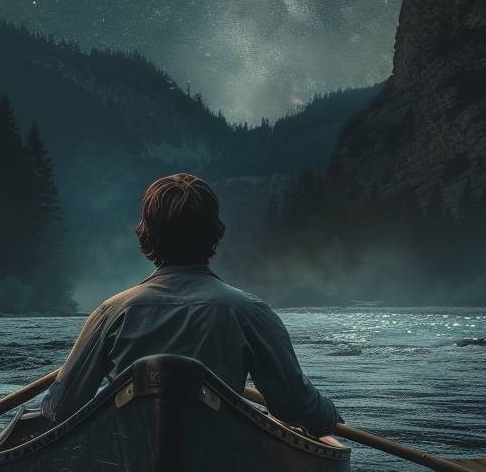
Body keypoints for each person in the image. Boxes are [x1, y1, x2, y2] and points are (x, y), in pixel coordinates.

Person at [41, 173, 340, 442]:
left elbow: (59, 409)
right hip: (220, 453)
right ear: (214, 233)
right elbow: (296, 408)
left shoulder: (112, 312)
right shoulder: (250, 311)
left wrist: (50, 395)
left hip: (131, 449)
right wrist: (327, 416)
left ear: (147, 235)